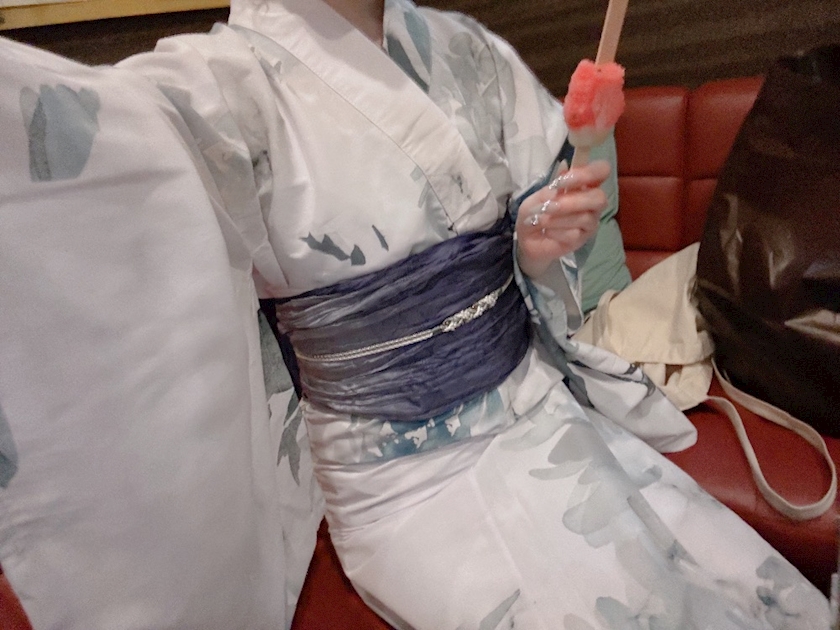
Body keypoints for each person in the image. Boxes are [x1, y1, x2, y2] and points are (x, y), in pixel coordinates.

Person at [0, 0, 830, 628]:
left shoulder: (462, 49)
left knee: (730, 584)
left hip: (537, 410)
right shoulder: (219, 86)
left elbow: (533, 227)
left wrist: (535, 241)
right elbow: (74, 155)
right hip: (407, 483)